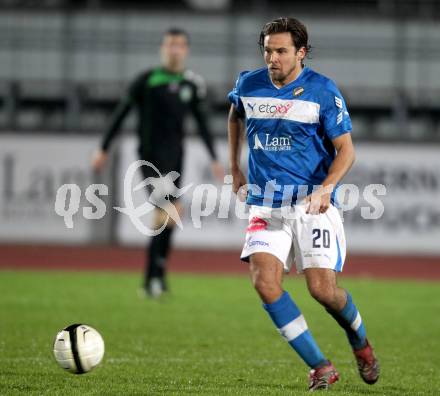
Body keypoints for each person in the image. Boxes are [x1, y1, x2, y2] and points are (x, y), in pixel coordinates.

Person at [227, 17, 379, 391]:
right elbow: (235, 113)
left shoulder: (323, 92)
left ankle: (359, 341)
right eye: (267, 51)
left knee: (323, 291)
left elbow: (347, 151)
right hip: (266, 203)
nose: (272, 59)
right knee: (264, 283)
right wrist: (234, 166)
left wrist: (326, 188)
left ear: (301, 52)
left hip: (313, 204)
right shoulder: (249, 84)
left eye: (280, 51)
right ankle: (320, 366)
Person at [92, 28, 223, 297]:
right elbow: (120, 114)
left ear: (186, 50)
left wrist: (214, 157)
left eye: (179, 45)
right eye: (170, 45)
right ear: (163, 49)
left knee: (169, 216)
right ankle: (154, 277)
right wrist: (103, 148)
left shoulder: (191, 84)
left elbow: (202, 123)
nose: (174, 50)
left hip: (176, 157)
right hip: (151, 156)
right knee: (168, 212)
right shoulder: (147, 80)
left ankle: (155, 277)